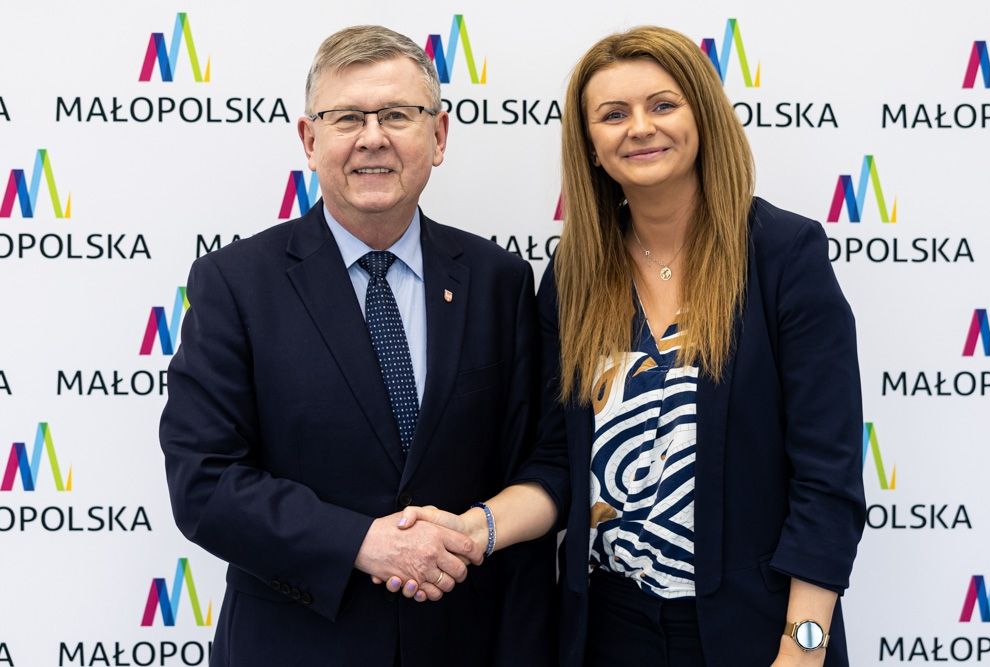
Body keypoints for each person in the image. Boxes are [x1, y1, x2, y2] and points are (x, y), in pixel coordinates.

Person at [391, 25, 865, 667]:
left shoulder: (782, 255)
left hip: (756, 632)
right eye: (613, 115)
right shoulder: (576, 273)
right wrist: (474, 529)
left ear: (702, 118)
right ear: (590, 145)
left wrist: (803, 647)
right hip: (608, 630)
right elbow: (558, 460)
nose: (640, 128)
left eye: (662, 105)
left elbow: (827, 477)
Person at [159, 25, 554, 667]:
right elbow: (204, 481)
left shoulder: (498, 282)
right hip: (296, 647)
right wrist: (362, 542)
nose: (373, 137)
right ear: (309, 140)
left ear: (439, 136)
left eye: (397, 114)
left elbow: (534, 464)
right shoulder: (235, 284)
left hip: (462, 643)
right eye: (347, 117)